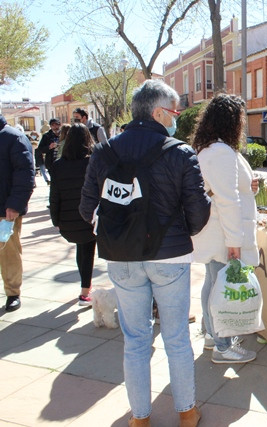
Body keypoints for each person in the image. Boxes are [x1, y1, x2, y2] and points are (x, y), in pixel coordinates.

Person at [79, 79, 210, 427]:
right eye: (175, 112)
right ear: (157, 112)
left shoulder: (104, 152)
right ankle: (186, 412)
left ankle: (140, 419)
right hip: (169, 259)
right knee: (176, 338)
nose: (177, 119)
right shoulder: (180, 152)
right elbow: (198, 217)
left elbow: (85, 209)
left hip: (122, 258)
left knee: (135, 340)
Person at [191, 93, 260, 364]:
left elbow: (231, 187)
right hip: (223, 233)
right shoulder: (220, 151)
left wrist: (250, 184)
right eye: (241, 117)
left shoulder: (215, 148)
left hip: (217, 231)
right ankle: (223, 345)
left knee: (212, 283)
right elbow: (227, 200)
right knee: (221, 288)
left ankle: (212, 335)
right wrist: (235, 242)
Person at [49, 124, 96, 306]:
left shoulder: (58, 166)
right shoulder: (92, 162)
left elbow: (54, 196)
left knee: (82, 248)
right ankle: (85, 292)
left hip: (68, 220)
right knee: (87, 250)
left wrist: (56, 219)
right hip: (90, 217)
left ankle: (86, 287)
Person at [0, 115, 35, 312]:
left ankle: (13, 292)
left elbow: (25, 173)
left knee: (8, 254)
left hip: (6, 210)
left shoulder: (13, 138)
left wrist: (14, 205)